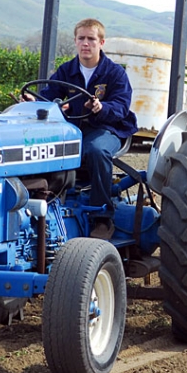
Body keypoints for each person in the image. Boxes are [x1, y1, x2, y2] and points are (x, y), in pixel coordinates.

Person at [34, 18, 138, 239]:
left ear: (101, 42)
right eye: (81, 38)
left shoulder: (114, 73)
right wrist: (35, 101)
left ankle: (102, 218)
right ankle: (46, 206)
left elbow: (121, 106)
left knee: (96, 150)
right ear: (75, 41)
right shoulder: (67, 70)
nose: (86, 43)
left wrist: (101, 107)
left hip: (108, 128)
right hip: (76, 129)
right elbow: (48, 94)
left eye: (91, 39)